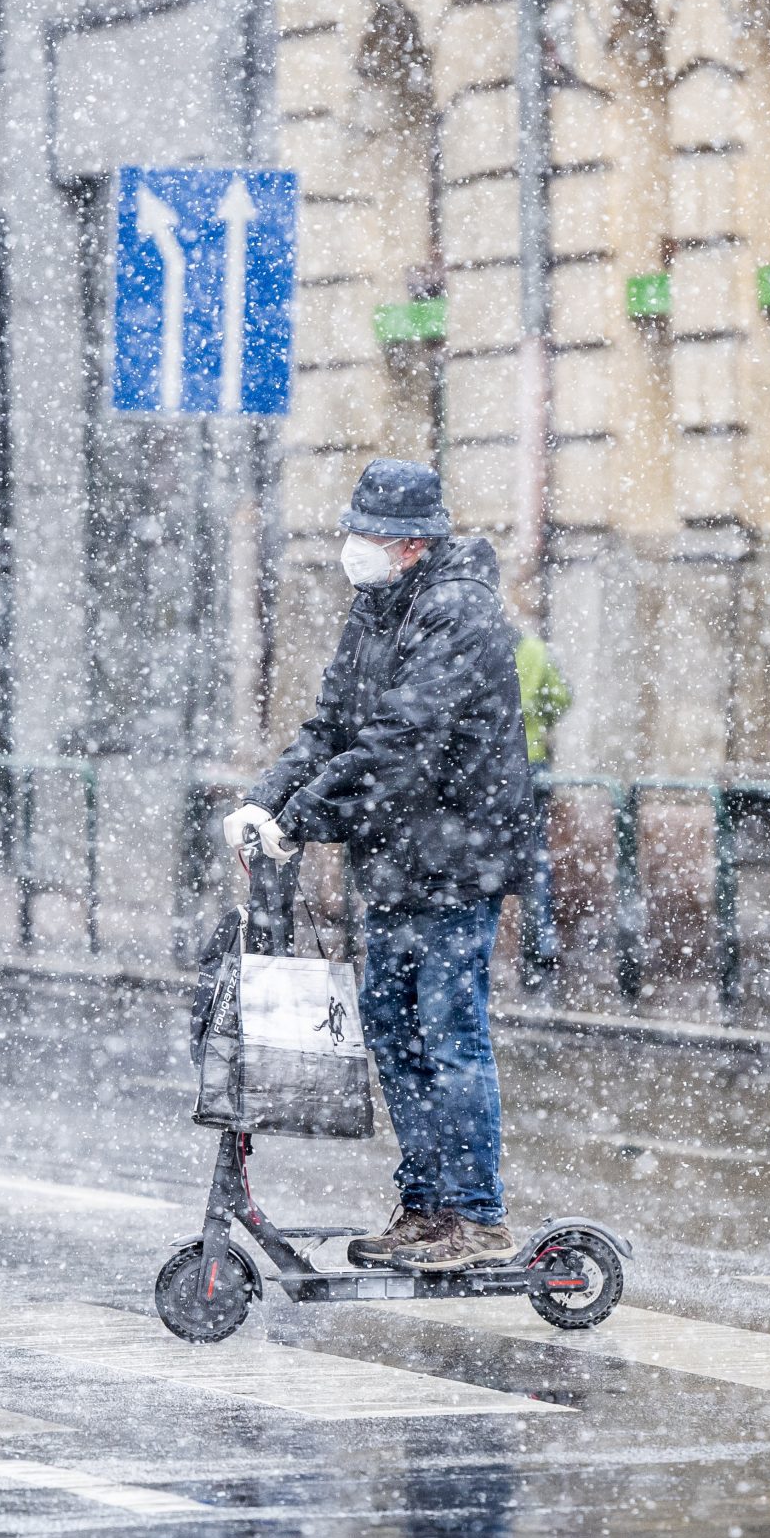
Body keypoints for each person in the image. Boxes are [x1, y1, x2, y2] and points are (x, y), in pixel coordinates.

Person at [222, 458, 536, 1272]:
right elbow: (329, 725)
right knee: (394, 1029)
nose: (349, 545)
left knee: (448, 1030)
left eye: (363, 532)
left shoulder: (458, 614)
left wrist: (304, 819)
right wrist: (267, 799)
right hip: (397, 861)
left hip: (457, 863)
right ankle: (426, 1205)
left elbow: (402, 741)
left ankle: (475, 1214)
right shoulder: (376, 609)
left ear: (408, 544)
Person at [513, 630, 573, 986]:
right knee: (535, 856)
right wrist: (537, 721)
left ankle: (479, 943)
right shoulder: (534, 650)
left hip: (491, 767)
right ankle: (540, 941)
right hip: (532, 763)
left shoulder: (476, 644)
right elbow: (561, 698)